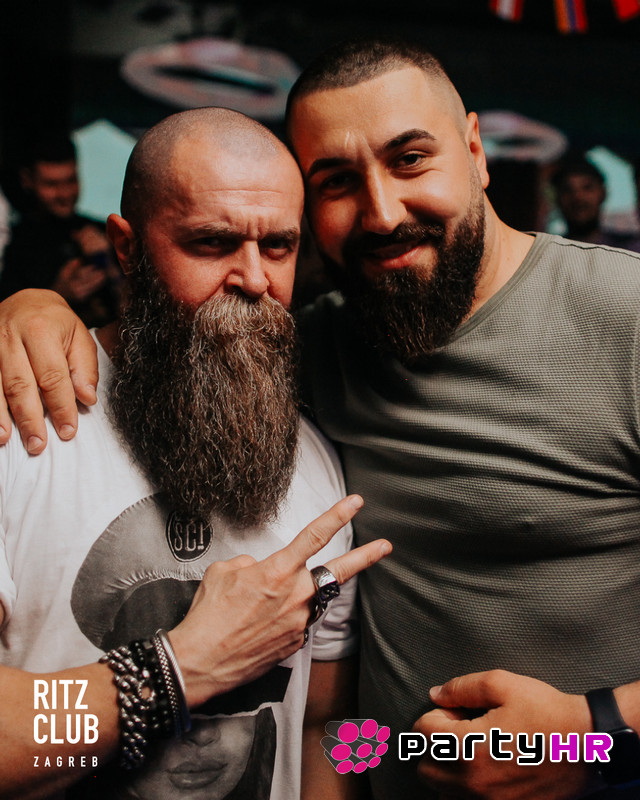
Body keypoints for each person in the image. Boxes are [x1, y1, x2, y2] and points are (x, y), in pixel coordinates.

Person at [1, 36, 640, 800]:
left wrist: (598, 736)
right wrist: (30, 306)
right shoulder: (291, 361)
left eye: (410, 159)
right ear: (127, 250)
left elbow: (321, 727)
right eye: (336, 181)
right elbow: (337, 733)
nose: (382, 212)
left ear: (475, 150)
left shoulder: (625, 318)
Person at [0, 107, 391, 800]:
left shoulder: (315, 458)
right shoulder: (21, 420)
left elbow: (321, 725)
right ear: (126, 248)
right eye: (211, 243)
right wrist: (182, 668)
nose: (254, 278)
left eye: (278, 246)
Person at [0, 136, 123, 326]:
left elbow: (137, 310)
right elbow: (8, 322)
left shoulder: (103, 231)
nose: (65, 194)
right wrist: (58, 293)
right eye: (51, 184)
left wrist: (108, 263)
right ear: (27, 180)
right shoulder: (13, 245)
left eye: (71, 181)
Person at [551, 152, 640, 252]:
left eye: (587, 188)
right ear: (557, 198)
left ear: (603, 193)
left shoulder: (630, 249)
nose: (578, 197)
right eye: (567, 190)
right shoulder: (549, 252)